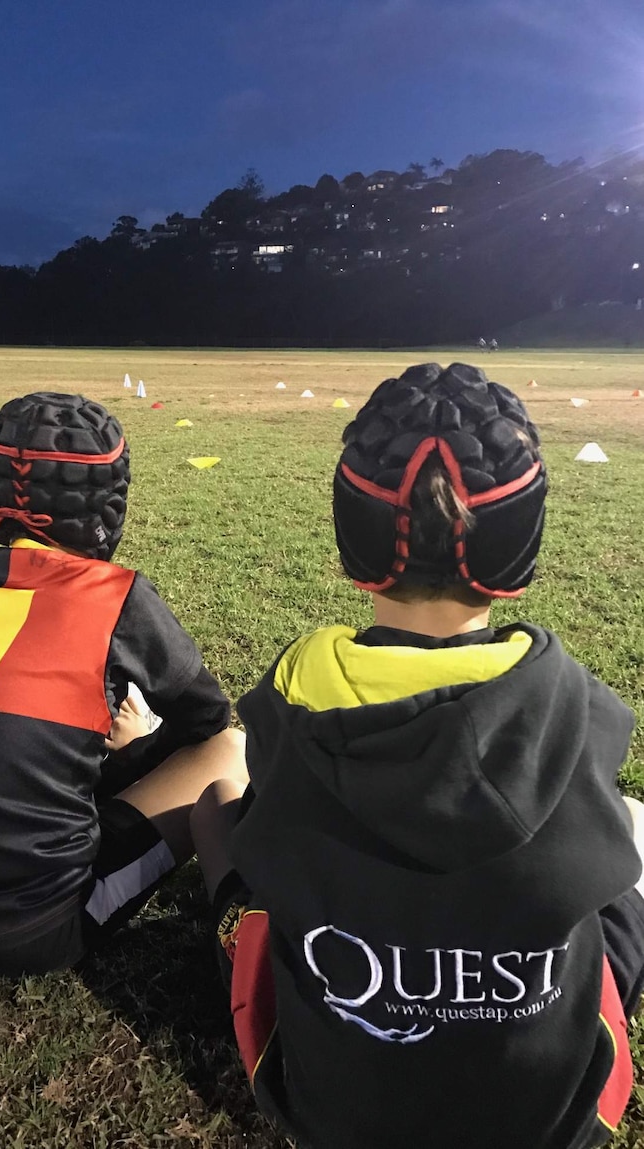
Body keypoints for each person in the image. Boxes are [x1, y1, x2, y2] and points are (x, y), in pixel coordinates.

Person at [191, 362, 644, 1149]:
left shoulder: (294, 695)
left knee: (218, 808)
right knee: (634, 824)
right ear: (521, 557)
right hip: (557, 1122)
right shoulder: (572, 705)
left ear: (349, 547)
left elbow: (266, 830)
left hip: (332, 1119)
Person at [0, 392, 246, 977]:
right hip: (34, 929)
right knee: (231, 750)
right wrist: (130, 746)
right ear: (108, 504)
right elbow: (207, 722)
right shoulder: (118, 599)